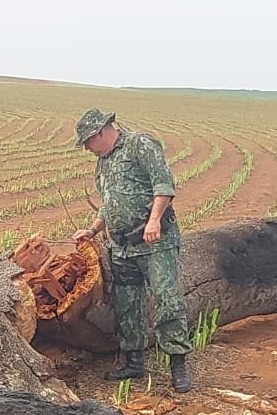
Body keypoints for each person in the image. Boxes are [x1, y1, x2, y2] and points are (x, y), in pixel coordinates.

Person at [72, 109, 193, 392]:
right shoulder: (103, 161)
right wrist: (93, 229)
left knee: (168, 300)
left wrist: (153, 223)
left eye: (88, 142)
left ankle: (178, 365)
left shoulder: (140, 144)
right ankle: (134, 363)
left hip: (154, 243)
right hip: (122, 246)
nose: (87, 149)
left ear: (101, 132)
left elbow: (163, 186)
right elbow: (110, 201)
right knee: (128, 305)